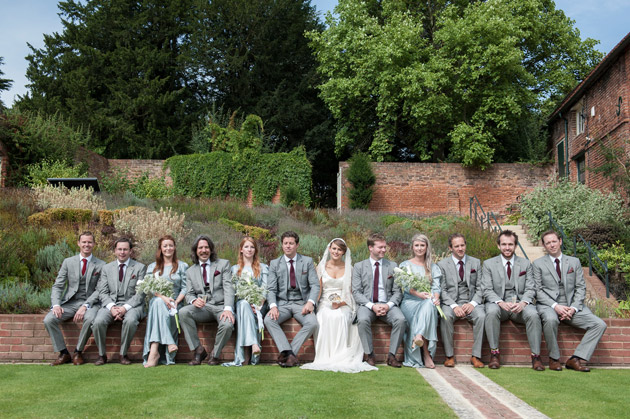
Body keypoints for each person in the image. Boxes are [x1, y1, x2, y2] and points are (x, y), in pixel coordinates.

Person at [533, 230, 607, 372]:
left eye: (554, 241)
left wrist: (573, 308)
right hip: (549, 305)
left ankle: (576, 359)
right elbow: (537, 290)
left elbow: (580, 287)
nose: (552, 245)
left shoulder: (574, 262)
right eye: (548, 243)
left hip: (572, 305)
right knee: (550, 320)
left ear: (560, 241)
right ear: (544, 246)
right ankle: (554, 359)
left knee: (599, 324)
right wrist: (556, 306)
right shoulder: (537, 264)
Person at [301, 238, 377, 373]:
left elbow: (352, 291)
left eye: (339, 249)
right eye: (334, 248)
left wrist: (341, 303)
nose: (336, 252)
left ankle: (340, 355)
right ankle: (326, 356)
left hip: (344, 302)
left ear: (344, 252)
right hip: (325, 302)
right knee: (325, 316)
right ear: (329, 249)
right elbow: (317, 290)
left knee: (341, 317)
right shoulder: (321, 267)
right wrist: (314, 304)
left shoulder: (350, 269)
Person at [481, 230, 544, 371]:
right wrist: (500, 302)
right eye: (504, 244)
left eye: (510, 244)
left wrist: (523, 303)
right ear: (498, 246)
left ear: (515, 246)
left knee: (533, 315)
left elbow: (530, 288)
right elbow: (487, 289)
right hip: (499, 305)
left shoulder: (526, 264)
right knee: (490, 311)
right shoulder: (488, 264)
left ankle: (536, 356)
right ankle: (494, 353)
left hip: (520, 305)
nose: (507, 247)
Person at [43, 231, 106, 366]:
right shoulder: (68, 262)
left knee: (90, 318)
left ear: (94, 244)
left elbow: (100, 290)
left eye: (89, 242)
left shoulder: (101, 265)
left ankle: (78, 351)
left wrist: (85, 306)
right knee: (49, 319)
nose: (86, 245)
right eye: (84, 242)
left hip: (91, 303)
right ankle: (63, 353)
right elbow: (58, 286)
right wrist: (56, 305)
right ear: (78, 243)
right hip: (71, 303)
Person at [264, 231, 320, 368]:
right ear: (282, 245)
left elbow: (315, 285)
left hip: (302, 303)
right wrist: (273, 306)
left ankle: (289, 354)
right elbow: (271, 289)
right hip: (282, 303)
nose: (288, 246)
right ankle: (289, 354)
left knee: (312, 323)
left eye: (291, 243)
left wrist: (310, 302)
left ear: (297, 245)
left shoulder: (306, 262)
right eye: (285, 243)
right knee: (268, 320)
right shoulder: (275, 263)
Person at [352, 233, 406, 367]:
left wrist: (388, 306)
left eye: (384, 247)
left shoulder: (393, 265)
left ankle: (392, 356)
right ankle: (369, 355)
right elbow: (356, 292)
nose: (383, 250)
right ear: (370, 248)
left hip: (388, 305)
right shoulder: (359, 266)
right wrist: (372, 306)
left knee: (401, 320)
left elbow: (397, 291)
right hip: (367, 305)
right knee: (363, 320)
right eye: (380, 247)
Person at [179, 235, 235, 365]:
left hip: (221, 306)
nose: (203, 250)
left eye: (206, 247)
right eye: (200, 248)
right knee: (183, 312)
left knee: (227, 325)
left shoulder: (223, 264)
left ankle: (215, 354)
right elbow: (189, 293)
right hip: (202, 308)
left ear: (211, 249)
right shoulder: (190, 271)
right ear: (195, 250)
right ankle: (198, 350)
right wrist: (193, 301)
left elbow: (228, 288)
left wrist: (228, 309)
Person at [92, 237, 147, 365]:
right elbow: (102, 291)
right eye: (120, 249)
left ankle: (123, 354)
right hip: (111, 304)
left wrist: (124, 308)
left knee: (131, 321)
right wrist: (112, 307)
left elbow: (140, 294)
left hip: (133, 305)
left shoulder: (140, 268)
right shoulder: (107, 268)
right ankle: (102, 355)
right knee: (98, 322)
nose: (122, 252)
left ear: (131, 251)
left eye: (125, 249)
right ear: (115, 251)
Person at [438, 233, 485, 368]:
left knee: (481, 316)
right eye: (456, 246)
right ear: (450, 248)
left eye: (462, 245)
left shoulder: (475, 262)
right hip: (450, 302)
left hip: (471, 301)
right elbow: (442, 289)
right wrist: (453, 306)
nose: (460, 248)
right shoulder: (442, 265)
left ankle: (476, 356)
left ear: (465, 245)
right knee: (445, 316)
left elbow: (481, 286)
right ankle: (449, 356)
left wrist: (473, 303)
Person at [143, 235, 189, 367]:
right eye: (165, 246)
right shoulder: (153, 266)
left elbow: (185, 288)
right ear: (160, 249)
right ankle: (169, 343)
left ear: (174, 248)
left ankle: (154, 350)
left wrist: (175, 302)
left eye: (170, 245)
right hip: (158, 301)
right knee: (158, 303)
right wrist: (163, 298)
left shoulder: (182, 266)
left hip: (175, 305)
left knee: (159, 307)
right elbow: (149, 287)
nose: (168, 248)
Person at [223, 237, 269, 366]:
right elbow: (233, 291)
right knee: (243, 304)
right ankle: (254, 344)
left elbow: (265, 288)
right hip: (242, 304)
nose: (249, 249)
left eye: (252, 247)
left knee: (245, 308)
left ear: (255, 250)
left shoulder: (263, 268)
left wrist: (258, 304)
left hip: (259, 305)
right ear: (241, 249)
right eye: (247, 247)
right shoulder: (234, 269)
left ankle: (243, 357)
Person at [399, 234, 441, 368]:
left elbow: (436, 287)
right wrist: (418, 294)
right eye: (416, 245)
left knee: (429, 304)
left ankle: (418, 336)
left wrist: (436, 299)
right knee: (426, 307)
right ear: (412, 247)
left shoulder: (433, 267)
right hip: (410, 302)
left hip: (428, 302)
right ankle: (426, 354)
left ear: (427, 247)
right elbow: (406, 287)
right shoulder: (405, 265)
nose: (419, 248)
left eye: (422, 245)